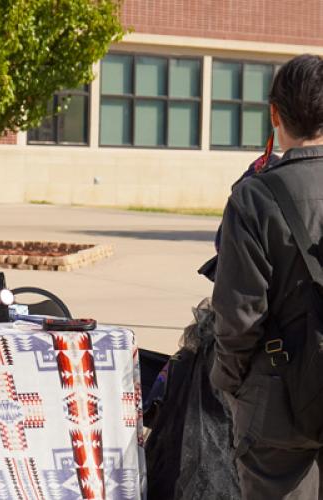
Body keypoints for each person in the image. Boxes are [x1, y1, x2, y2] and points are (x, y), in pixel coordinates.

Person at [210, 54, 323, 499]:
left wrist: (232, 384)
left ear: (274, 115)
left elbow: (237, 318)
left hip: (277, 405)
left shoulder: (254, 197)